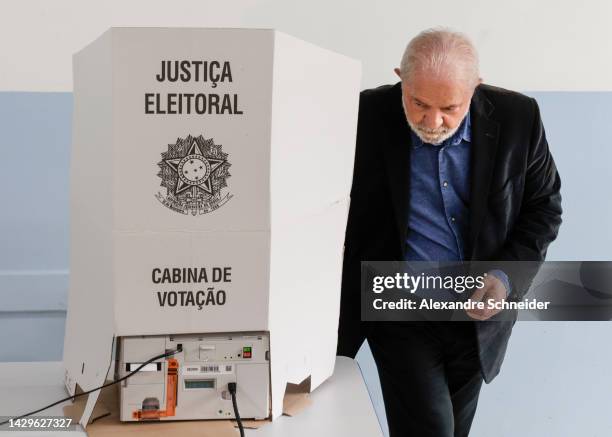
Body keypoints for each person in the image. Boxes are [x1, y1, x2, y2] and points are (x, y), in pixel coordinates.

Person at [337, 28, 562, 437]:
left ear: (474, 89)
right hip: (398, 307)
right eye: (418, 102)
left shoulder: (518, 118)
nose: (432, 121)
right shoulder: (364, 115)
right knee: (431, 429)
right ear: (399, 79)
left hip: (478, 316)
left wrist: (504, 276)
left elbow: (543, 209)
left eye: (450, 107)